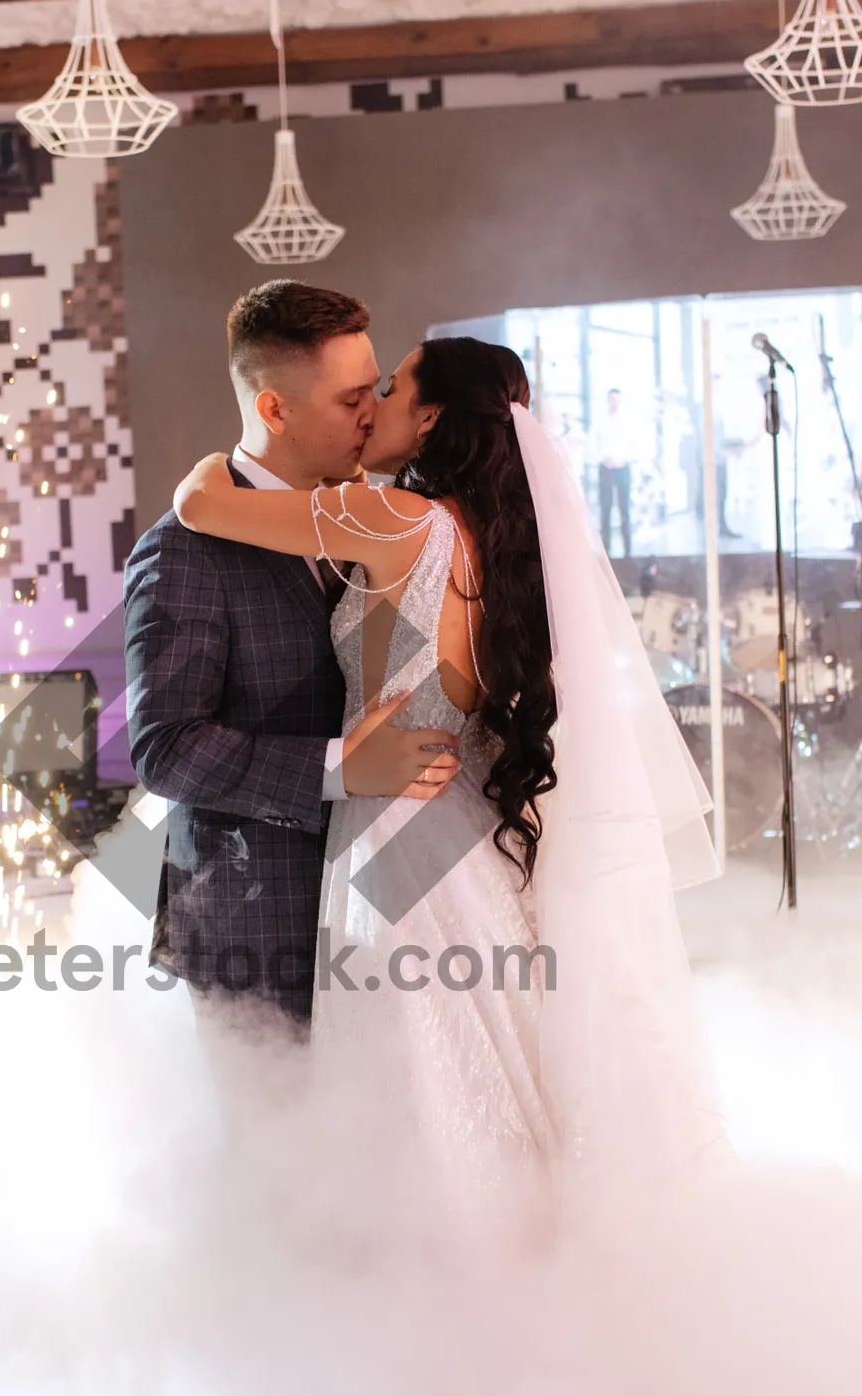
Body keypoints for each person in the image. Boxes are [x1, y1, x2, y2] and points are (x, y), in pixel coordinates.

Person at [172, 335, 726, 1197]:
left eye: (389, 388)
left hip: (396, 837)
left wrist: (220, 453)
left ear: (428, 417)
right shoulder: (496, 544)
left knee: (418, 1085)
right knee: (496, 1067)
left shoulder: (399, 521)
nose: (371, 404)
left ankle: (441, 1277)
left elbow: (204, 506)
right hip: (472, 835)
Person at [122, 283, 462, 1035]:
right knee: (278, 1151)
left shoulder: (383, 517)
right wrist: (340, 769)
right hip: (254, 923)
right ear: (274, 409)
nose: (371, 414)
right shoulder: (183, 549)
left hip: (391, 913)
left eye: (375, 390)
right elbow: (165, 748)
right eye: (349, 402)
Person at [593, 386, 635, 559]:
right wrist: (605, 459)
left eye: (617, 399)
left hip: (623, 466)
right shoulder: (601, 420)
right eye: (612, 399)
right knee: (606, 507)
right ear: (608, 400)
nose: (615, 402)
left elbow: (634, 444)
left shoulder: (628, 421)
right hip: (606, 467)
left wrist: (623, 459)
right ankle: (605, 547)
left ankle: (628, 548)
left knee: (625, 508)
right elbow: (594, 443)